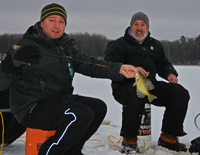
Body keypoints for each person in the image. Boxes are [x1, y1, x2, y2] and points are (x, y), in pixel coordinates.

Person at [0, 3, 138, 155]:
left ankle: (72, 151)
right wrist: (11, 63)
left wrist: (119, 69)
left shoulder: (64, 47)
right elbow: (2, 82)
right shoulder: (25, 47)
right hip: (31, 106)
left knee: (97, 108)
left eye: (61, 21)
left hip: (57, 100)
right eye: (52, 20)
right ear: (42, 23)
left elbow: (89, 63)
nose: (56, 25)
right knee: (80, 114)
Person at [104, 12, 190, 154]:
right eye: (136, 24)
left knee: (180, 93)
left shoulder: (155, 45)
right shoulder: (118, 45)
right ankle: (129, 141)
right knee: (135, 95)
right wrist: (126, 70)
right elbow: (110, 65)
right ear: (130, 26)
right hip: (125, 86)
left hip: (150, 85)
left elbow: (163, 64)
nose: (139, 28)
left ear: (147, 27)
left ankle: (168, 136)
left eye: (142, 25)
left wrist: (170, 73)